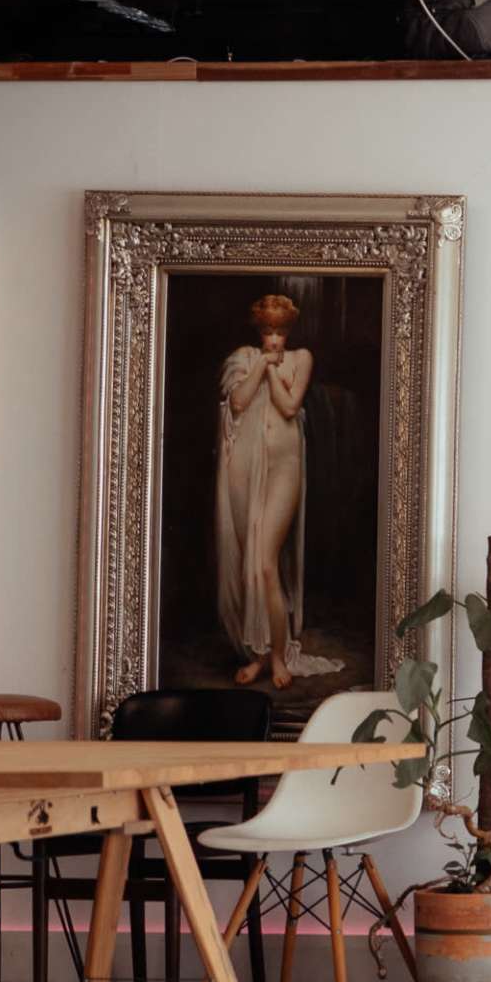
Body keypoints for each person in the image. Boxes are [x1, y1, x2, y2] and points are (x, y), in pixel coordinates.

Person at [215, 291, 312, 687]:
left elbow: (288, 407)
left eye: (280, 332)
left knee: (265, 561)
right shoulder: (245, 358)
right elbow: (238, 402)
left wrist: (272, 369)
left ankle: (278, 656)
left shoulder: (301, 358)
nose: (274, 339)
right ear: (259, 331)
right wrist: (261, 364)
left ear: (289, 331)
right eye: (268, 332)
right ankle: (258, 655)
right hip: (247, 469)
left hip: (284, 470)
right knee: (250, 563)